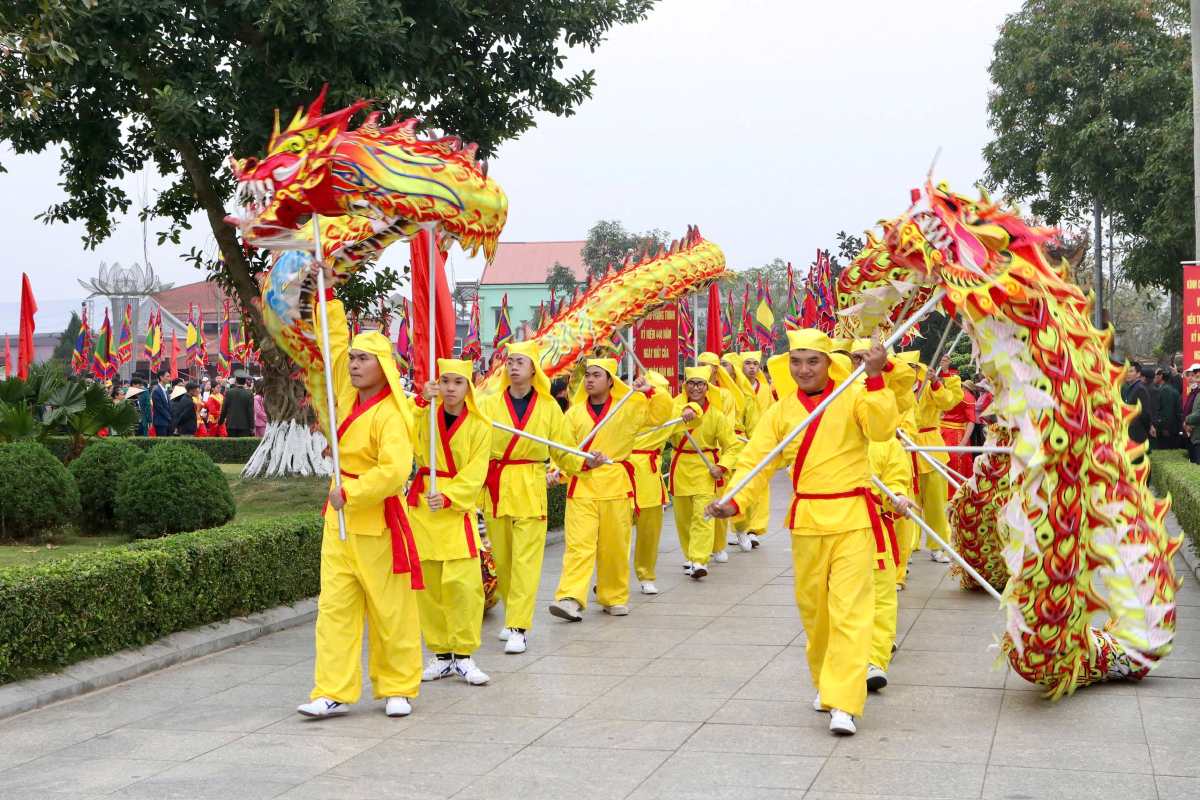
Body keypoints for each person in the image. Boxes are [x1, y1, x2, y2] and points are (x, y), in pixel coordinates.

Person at [708, 329, 897, 736]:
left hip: (853, 518)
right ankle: (827, 684)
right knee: (816, 615)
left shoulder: (853, 393)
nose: (804, 369)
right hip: (808, 520)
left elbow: (882, 430)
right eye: (797, 361)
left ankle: (845, 701)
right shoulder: (779, 413)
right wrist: (734, 499)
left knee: (851, 612)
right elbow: (755, 460)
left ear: (830, 363)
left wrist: (877, 378)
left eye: (813, 361)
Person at [299, 271, 423, 720]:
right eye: (352, 358)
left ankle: (398, 686)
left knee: (390, 610)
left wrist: (350, 491)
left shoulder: (392, 415)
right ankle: (331, 689)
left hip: (377, 523)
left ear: (383, 366)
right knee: (334, 608)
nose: (352, 364)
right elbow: (332, 342)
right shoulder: (343, 395)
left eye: (362, 360)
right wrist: (326, 291)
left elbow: (395, 470)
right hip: (340, 524)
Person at [478, 341, 595, 655]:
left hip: (529, 485)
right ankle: (510, 614)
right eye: (510, 361)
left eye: (520, 361)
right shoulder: (488, 406)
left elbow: (563, 449)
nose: (513, 366)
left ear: (533, 369)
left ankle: (518, 626)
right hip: (497, 486)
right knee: (502, 560)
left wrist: (584, 461)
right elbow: (471, 440)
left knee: (527, 562)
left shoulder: (547, 407)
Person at [548, 359, 670, 621]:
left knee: (614, 546)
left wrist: (649, 390)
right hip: (583, 486)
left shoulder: (629, 406)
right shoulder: (574, 414)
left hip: (616, 485)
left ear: (610, 380)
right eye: (587, 376)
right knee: (579, 546)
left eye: (596, 375)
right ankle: (570, 597)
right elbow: (560, 449)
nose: (590, 380)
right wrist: (578, 462)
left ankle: (613, 595)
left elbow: (662, 414)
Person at [410, 359, 493, 686]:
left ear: (468, 386)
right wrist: (420, 403)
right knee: (428, 586)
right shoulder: (426, 414)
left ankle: (464, 655)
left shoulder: (479, 425)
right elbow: (407, 435)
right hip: (424, 507)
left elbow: (476, 471)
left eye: (457, 382)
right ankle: (441, 654)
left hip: (455, 509)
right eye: (445, 381)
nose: (450, 388)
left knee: (463, 585)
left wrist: (448, 496)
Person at [668, 367, 740, 580]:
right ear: (685, 386)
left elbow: (732, 446)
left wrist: (723, 466)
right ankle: (689, 555)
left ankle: (700, 560)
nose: (696, 388)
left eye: (701, 384)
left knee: (703, 515)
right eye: (692, 383)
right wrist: (681, 418)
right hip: (680, 466)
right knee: (683, 518)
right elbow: (661, 432)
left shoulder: (717, 415)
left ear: (707, 387)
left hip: (705, 467)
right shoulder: (675, 410)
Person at [909, 355, 962, 564]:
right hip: (906, 445)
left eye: (913, 367)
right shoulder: (896, 388)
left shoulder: (929, 386)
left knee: (936, 502)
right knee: (907, 500)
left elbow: (949, 401)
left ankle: (938, 545)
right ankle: (908, 545)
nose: (909, 371)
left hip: (930, 446)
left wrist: (939, 379)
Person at [630, 371, 673, 595]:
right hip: (621, 476)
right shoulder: (626, 409)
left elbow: (695, 414)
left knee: (649, 533)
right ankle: (609, 579)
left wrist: (691, 411)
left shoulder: (668, 416)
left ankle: (646, 574)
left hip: (648, 478)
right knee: (613, 535)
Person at [1121, 362, 1153, 447]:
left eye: (1131, 371)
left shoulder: (1140, 389)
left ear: (1138, 374)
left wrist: (1145, 428)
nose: (1128, 374)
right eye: (1126, 371)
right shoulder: (1130, 388)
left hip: (1138, 433)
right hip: (1129, 432)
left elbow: (1145, 413)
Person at [1152, 368, 1182, 451]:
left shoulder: (1166, 390)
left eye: (1155, 375)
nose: (1154, 377)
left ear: (1160, 376)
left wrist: (1165, 428)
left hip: (1167, 430)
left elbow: (1167, 411)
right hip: (1168, 429)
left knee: (1167, 450)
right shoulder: (1167, 388)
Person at [220, 372, 256, 437]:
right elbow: (250, 411)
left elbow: (224, 408)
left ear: (236, 381)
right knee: (242, 446)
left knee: (231, 445)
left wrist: (220, 421)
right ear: (245, 381)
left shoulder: (229, 392)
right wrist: (252, 426)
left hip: (231, 424)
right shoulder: (249, 394)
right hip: (245, 425)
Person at [151, 369, 173, 436]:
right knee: (162, 443)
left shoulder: (165, 390)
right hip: (160, 422)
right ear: (161, 377)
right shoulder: (156, 390)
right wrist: (169, 417)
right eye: (167, 376)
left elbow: (168, 406)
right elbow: (160, 408)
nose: (169, 378)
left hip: (167, 421)